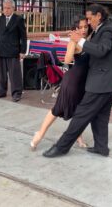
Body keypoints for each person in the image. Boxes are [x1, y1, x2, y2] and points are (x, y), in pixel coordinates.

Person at [43, 4, 112, 158]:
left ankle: (61, 147)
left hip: (102, 81)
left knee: (80, 115)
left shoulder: (107, 30)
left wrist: (79, 41)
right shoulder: (101, 29)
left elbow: (101, 50)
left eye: (89, 18)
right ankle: (101, 148)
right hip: (106, 81)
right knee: (100, 116)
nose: (88, 22)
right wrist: (76, 39)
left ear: (98, 16)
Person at [30, 15, 90, 150]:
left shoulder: (87, 41)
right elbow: (67, 60)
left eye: (85, 27)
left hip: (83, 84)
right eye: (80, 27)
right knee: (57, 110)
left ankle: (79, 139)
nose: (83, 30)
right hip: (72, 82)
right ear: (75, 28)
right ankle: (39, 134)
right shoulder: (74, 42)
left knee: (78, 111)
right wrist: (73, 42)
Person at [0, 0, 27, 102]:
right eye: (4, 8)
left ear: (13, 8)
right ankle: (1, 91)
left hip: (13, 51)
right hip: (1, 50)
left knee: (15, 74)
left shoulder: (18, 19)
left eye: (8, 8)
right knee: (1, 74)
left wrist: (22, 51)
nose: (6, 10)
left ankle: (17, 93)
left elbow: (23, 37)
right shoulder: (0, 19)